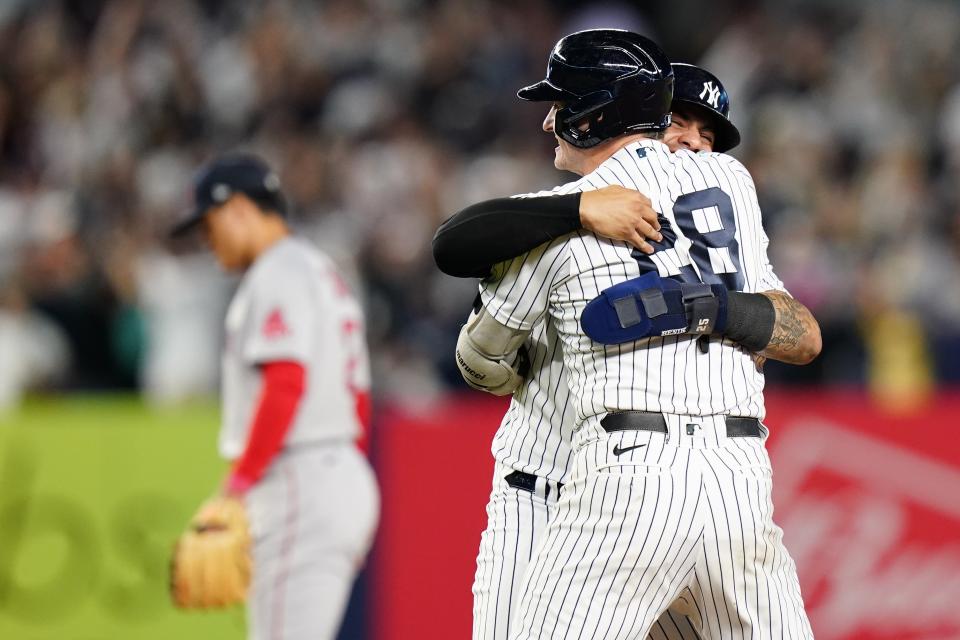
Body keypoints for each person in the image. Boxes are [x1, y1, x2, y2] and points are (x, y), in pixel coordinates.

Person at [451, 29, 820, 639]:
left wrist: (703, 308)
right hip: (696, 481)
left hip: (621, 477)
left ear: (600, 115)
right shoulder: (725, 187)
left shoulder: (559, 228)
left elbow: (479, 357)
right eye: (680, 122)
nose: (691, 144)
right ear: (650, 117)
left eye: (707, 136)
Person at [170, 153, 379, 640]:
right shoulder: (317, 269)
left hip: (299, 477)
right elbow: (358, 399)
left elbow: (286, 381)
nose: (207, 239)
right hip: (335, 470)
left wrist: (239, 483)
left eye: (209, 222)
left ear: (239, 208)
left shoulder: (279, 272)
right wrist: (349, 485)